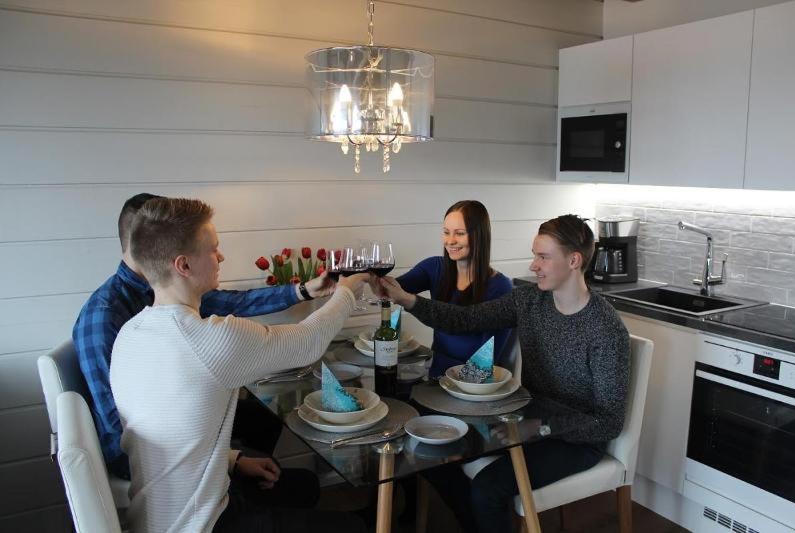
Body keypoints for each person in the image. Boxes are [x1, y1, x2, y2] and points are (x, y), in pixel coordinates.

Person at [110, 197, 367, 533]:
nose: (221, 256)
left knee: (304, 486)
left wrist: (232, 461)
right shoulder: (210, 338)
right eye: (213, 248)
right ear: (183, 265)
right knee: (354, 528)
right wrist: (348, 290)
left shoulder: (130, 333)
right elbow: (310, 341)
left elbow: (173, 432)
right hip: (203, 524)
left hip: (158, 516)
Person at [377, 214, 631, 533]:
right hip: (524, 418)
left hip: (575, 441)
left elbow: (608, 421)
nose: (533, 265)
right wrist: (408, 300)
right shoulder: (529, 300)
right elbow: (465, 319)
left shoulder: (605, 330)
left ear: (574, 260)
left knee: (488, 488)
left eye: (543, 257)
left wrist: (539, 428)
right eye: (535, 255)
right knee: (429, 452)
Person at [73, 193, 334, 480]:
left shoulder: (170, 289)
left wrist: (303, 290)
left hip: (178, 429)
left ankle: (252, 487)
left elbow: (234, 303)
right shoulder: (106, 315)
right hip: (148, 461)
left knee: (263, 419)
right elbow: (119, 428)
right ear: (144, 238)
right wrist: (231, 460)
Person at [382, 200, 513, 378]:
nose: (450, 241)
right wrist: (363, 275)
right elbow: (389, 289)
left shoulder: (500, 287)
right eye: (446, 232)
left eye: (459, 233)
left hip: (472, 384)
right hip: (436, 376)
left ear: (479, 236)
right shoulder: (434, 267)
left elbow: (487, 360)